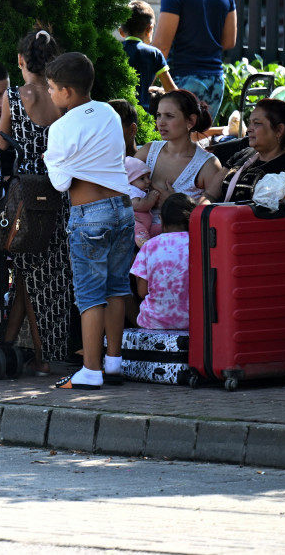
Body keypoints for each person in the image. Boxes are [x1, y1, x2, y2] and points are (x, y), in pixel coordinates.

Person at [43, 52, 136, 390]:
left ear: (67, 91)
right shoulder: (110, 113)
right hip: (122, 209)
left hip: (89, 215)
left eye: (52, 89)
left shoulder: (61, 128)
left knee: (89, 295)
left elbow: (60, 183)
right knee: (116, 289)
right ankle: (113, 362)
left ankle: (91, 370)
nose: (50, 94)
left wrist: (50, 159)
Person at [0, 29, 73, 372]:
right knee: (57, 275)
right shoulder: (63, 97)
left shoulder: (14, 97)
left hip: (27, 193)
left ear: (20, 60)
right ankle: (49, 352)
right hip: (60, 187)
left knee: (27, 269)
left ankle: (37, 355)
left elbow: (0, 142)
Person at [151, 0, 237, 112]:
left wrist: (147, 83)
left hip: (182, 79)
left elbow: (161, 47)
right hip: (215, 81)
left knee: (175, 135)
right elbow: (229, 41)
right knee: (200, 135)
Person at [135, 90, 224, 224]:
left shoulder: (207, 165)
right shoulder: (147, 152)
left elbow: (215, 215)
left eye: (169, 116)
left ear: (191, 121)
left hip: (181, 242)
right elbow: (121, 188)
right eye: (159, 115)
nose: (161, 122)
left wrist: (178, 205)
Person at [217, 98, 285, 204]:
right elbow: (209, 194)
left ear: (279, 130)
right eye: (250, 123)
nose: (249, 129)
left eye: (257, 123)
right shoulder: (244, 155)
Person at [130, 192, 195, 331]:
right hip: (197, 321)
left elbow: (142, 292)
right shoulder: (202, 244)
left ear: (161, 220)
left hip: (154, 322)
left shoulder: (149, 246)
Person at [119, 0, 177, 112]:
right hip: (142, 115)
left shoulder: (114, 50)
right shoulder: (154, 53)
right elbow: (171, 91)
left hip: (116, 115)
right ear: (149, 29)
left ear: (121, 32)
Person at [125, 157, 159, 248]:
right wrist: (151, 199)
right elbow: (137, 204)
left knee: (159, 228)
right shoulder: (131, 189)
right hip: (136, 223)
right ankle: (143, 243)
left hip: (147, 226)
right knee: (138, 228)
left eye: (148, 177)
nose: (148, 181)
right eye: (142, 178)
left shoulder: (139, 190)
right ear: (129, 180)